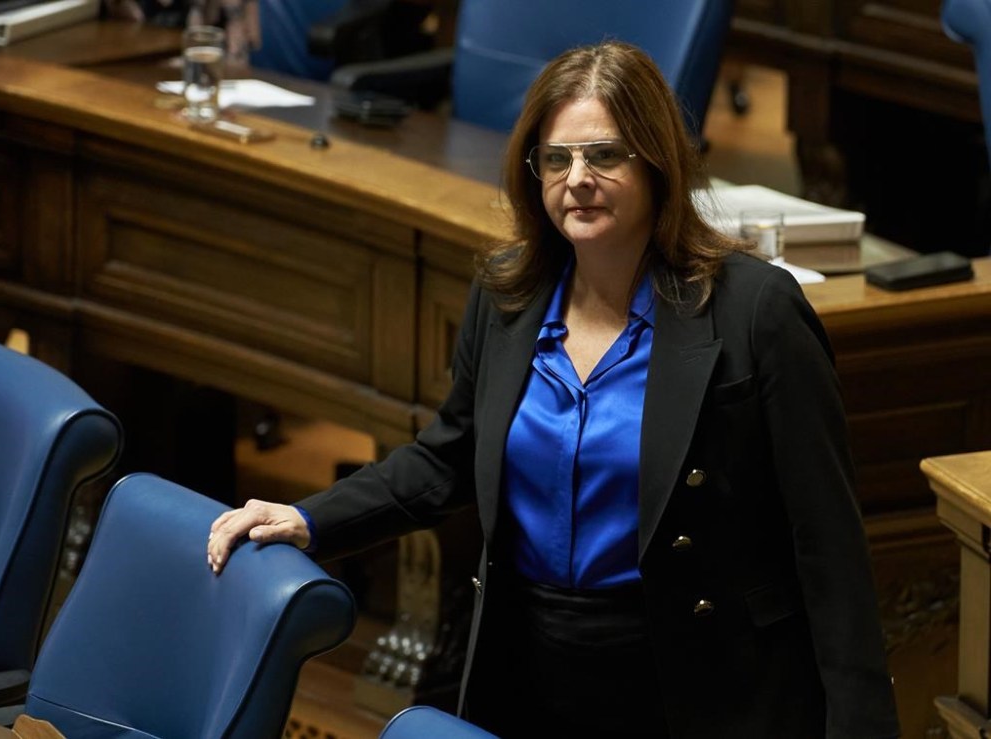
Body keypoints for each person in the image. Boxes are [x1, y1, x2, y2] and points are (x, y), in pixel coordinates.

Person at [207, 40, 900, 738]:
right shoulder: (509, 295)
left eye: (605, 155)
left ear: (657, 161)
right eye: (556, 159)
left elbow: (829, 543)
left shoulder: (755, 311)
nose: (577, 179)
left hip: (695, 673)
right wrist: (311, 519)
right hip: (530, 664)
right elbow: (449, 455)